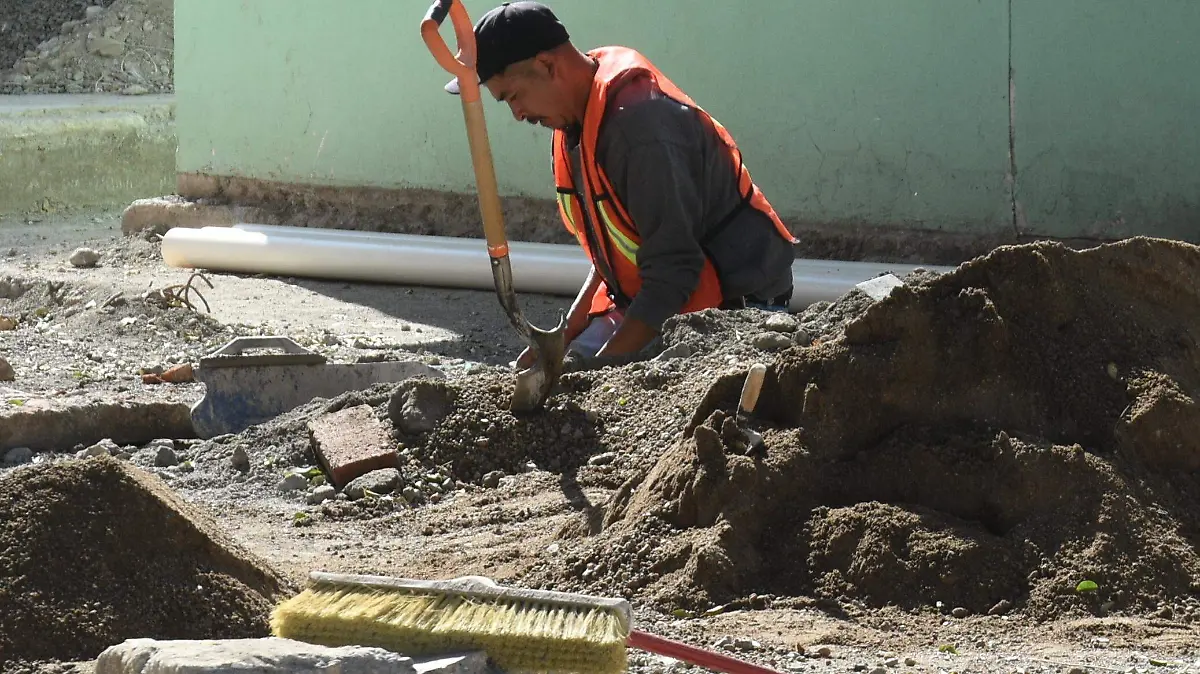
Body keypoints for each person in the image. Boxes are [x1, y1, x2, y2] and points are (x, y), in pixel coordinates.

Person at [444, 1, 798, 368]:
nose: (517, 115)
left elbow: (674, 271)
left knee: (604, 384)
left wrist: (602, 371)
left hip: (738, 300)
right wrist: (562, 338)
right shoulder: (574, 121)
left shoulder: (639, 129)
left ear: (548, 65)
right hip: (660, 292)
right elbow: (613, 250)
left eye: (513, 96)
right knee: (569, 365)